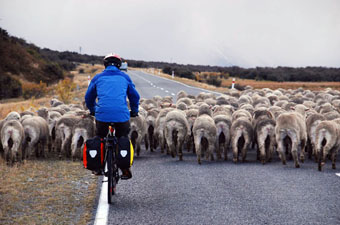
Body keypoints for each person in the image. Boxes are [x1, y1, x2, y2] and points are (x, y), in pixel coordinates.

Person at [85, 53, 140, 179]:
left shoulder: (97, 77)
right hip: (121, 115)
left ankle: (97, 167)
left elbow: (88, 97)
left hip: (102, 115)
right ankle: (125, 169)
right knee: (123, 136)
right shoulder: (125, 77)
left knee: (100, 136)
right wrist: (134, 110)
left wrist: (93, 109)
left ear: (105, 65)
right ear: (119, 65)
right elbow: (134, 96)